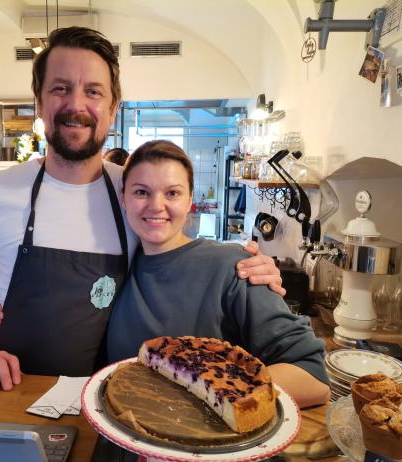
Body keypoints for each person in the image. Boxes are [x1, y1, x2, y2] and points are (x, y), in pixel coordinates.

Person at [0, 27, 284, 392]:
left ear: (113, 109)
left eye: (93, 91)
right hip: (12, 393)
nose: (76, 105)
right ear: (39, 102)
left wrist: (243, 267)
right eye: (60, 88)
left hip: (110, 403)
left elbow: (180, 256)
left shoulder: (133, 192)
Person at [105, 140, 330, 408]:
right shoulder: (117, 267)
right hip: (122, 435)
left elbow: (312, 377)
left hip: (205, 444)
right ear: (123, 198)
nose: (156, 205)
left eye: (172, 193)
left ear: (190, 200)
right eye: (141, 192)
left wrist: (206, 391)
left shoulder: (233, 266)